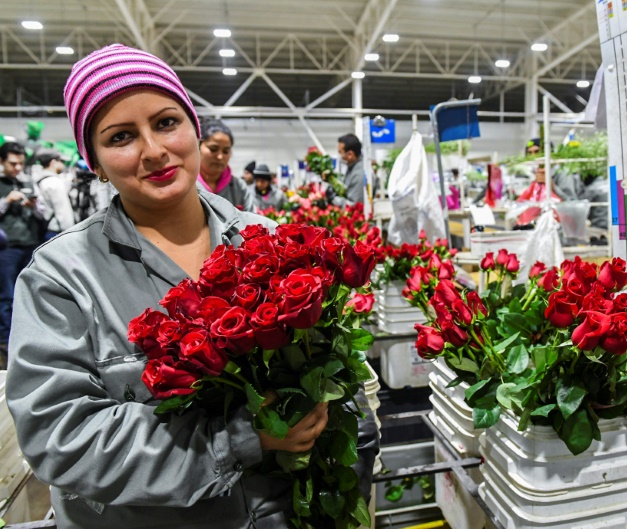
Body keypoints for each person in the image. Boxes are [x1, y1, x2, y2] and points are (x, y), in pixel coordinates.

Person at [6, 44, 377, 529]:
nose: (154, 150)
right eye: (121, 136)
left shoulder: (269, 240)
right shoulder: (62, 277)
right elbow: (60, 437)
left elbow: (342, 383)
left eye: (166, 122)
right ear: (94, 162)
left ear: (193, 128)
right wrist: (240, 439)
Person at [0, 141, 48, 364]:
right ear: (2, 161)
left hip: (30, 243)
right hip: (7, 248)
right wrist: (6, 201)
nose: (18, 168)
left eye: (20, 163)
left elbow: (44, 212)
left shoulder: (28, 182)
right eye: (13, 163)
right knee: (7, 296)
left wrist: (33, 206)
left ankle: (28, 339)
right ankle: (5, 341)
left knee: (29, 294)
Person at [198, 118, 256, 212]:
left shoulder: (239, 187)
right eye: (213, 149)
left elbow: (252, 218)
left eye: (226, 151)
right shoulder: (187, 184)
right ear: (198, 146)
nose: (220, 157)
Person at [34, 148, 76, 240]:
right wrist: (70, 234)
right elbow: (63, 212)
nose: (63, 165)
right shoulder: (54, 182)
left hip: (45, 229)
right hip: (57, 232)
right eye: (61, 161)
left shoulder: (40, 179)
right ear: (53, 162)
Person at [329, 133, 366, 207]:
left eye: (340, 152)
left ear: (350, 154)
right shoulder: (352, 168)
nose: (339, 156)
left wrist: (333, 199)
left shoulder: (359, 174)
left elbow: (354, 205)